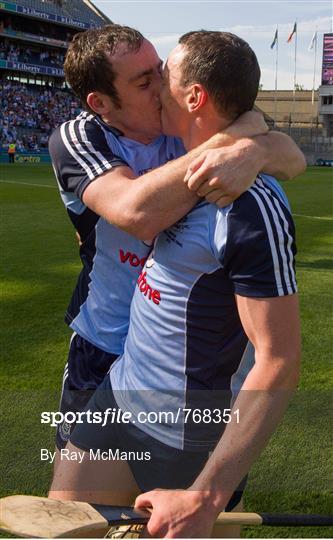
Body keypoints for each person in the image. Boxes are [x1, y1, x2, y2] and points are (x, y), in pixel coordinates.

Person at [49, 30, 301, 538]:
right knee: (73, 521)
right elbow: (136, 212)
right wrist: (233, 144)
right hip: (105, 348)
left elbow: (290, 157)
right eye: (145, 80)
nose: (161, 82)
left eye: (162, 69)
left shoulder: (177, 128)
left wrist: (257, 148)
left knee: (177, 520)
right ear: (103, 103)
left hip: (190, 382)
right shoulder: (81, 136)